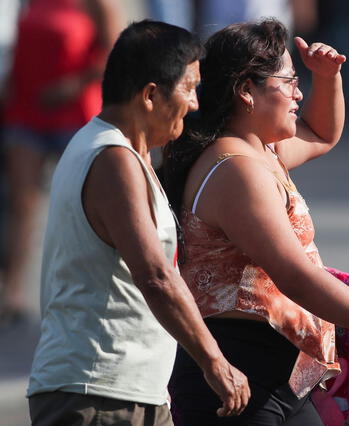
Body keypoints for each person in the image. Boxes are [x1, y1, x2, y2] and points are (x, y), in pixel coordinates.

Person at [162, 19, 349, 425]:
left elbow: (322, 134)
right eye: (289, 81)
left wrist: (327, 77)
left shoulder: (259, 150)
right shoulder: (236, 170)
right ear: (246, 91)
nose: (298, 93)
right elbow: (295, 277)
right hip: (237, 374)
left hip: (277, 375)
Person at [27, 20, 250, 425]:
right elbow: (156, 277)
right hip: (99, 393)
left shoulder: (121, 153)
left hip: (125, 391)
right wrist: (215, 362)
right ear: (150, 95)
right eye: (189, 88)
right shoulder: (112, 159)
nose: (195, 103)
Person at [0, 0, 122, 325]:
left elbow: (113, 55)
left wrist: (73, 85)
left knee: (81, 204)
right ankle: (12, 292)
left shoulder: (96, 3)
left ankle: (88, 290)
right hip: (27, 111)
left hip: (75, 112)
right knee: (21, 206)